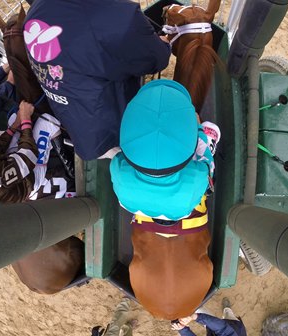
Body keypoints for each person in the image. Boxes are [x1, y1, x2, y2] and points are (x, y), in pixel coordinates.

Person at [23, 0, 171, 160]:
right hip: (116, 130)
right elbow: (155, 59)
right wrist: (162, 45)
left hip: (80, 129)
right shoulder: (116, 16)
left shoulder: (34, 12)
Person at [109, 79, 220, 221]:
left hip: (130, 204)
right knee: (206, 149)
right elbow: (207, 166)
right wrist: (198, 129)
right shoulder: (195, 179)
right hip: (180, 211)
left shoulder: (120, 172)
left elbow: (119, 157)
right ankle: (210, 142)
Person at [171, 298, 247, 336]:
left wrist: (182, 329)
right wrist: (195, 317)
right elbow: (223, 328)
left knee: (199, 310)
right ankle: (227, 309)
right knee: (228, 315)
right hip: (233, 327)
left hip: (213, 332)